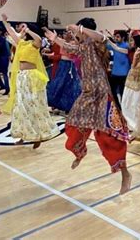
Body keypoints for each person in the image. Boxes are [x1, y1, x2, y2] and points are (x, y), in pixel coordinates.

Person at [44, 18, 132, 195]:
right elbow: (70, 49)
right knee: (73, 124)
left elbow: (101, 37)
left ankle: (125, 174)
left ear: (84, 30)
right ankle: (79, 152)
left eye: (78, 31)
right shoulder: (83, 46)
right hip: (87, 94)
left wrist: (80, 28)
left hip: (102, 95)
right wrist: (55, 39)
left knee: (108, 136)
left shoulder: (96, 43)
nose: (75, 34)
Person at [2, 14, 59, 148]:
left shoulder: (35, 44)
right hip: (22, 77)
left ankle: (38, 134)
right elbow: (11, 32)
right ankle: (22, 134)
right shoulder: (21, 43)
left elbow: (39, 38)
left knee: (34, 105)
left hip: (32, 77)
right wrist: (5, 22)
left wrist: (27, 30)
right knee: (20, 106)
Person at [46, 31, 81, 113]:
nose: (66, 34)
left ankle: (69, 107)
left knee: (69, 86)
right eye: (65, 33)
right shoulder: (63, 42)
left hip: (69, 65)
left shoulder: (74, 43)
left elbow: (72, 54)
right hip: (62, 64)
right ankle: (56, 105)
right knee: (58, 84)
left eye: (68, 33)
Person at [121, 35, 140, 132]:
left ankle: (137, 125)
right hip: (131, 77)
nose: (130, 42)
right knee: (127, 101)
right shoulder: (133, 50)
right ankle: (130, 124)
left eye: (132, 40)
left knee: (136, 103)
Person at [107, 31, 131, 109]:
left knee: (122, 92)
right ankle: (118, 107)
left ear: (123, 38)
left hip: (124, 74)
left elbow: (116, 48)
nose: (116, 38)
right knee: (113, 92)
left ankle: (124, 109)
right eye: (115, 37)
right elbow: (106, 45)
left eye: (118, 37)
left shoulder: (127, 46)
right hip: (114, 73)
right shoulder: (115, 45)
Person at [0, 26, 11, 95]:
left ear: (1, 31)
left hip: (3, 57)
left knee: (4, 73)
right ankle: (2, 85)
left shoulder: (2, 39)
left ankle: (7, 88)